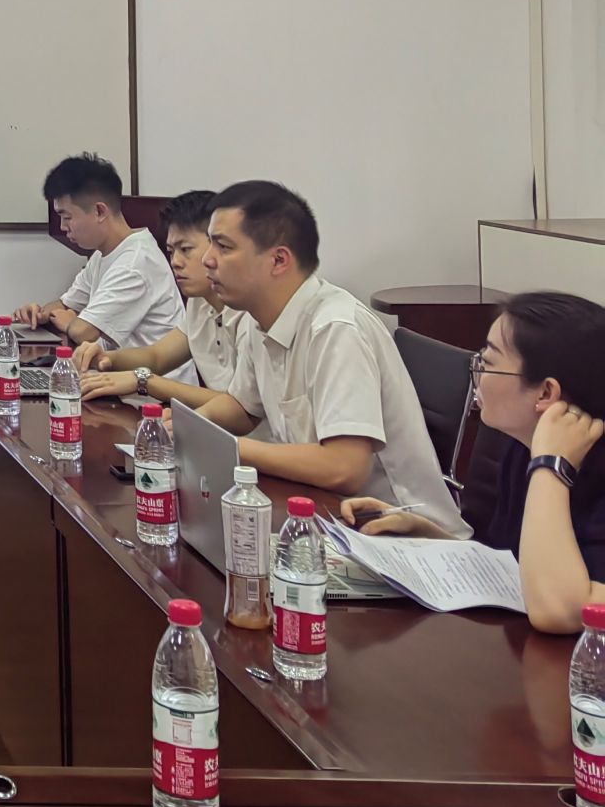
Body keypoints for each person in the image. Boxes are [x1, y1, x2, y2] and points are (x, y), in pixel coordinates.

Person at [191, 180, 466, 534]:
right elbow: (243, 407)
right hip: (326, 517)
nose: (207, 259)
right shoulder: (261, 318)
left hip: (402, 538)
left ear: (278, 260)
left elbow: (344, 468)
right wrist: (189, 427)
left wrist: (226, 448)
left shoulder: (336, 329)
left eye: (224, 246)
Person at [341, 291, 605, 633]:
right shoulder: (523, 446)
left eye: (489, 361)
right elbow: (512, 568)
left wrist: (551, 466)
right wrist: (424, 534)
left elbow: (557, 611)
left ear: (545, 393)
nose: (476, 369)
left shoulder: (554, 460)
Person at [73, 190, 252, 410]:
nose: (175, 261)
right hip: (208, 424)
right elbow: (157, 357)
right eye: (171, 251)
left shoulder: (250, 314)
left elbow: (240, 408)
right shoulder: (200, 302)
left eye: (185, 249)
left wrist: (143, 381)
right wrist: (106, 358)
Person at [13, 153, 182, 350]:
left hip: (147, 370)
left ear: (99, 211)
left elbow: (82, 332)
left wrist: (70, 324)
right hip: (116, 366)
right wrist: (40, 314)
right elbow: (66, 304)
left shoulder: (135, 263)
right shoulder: (103, 253)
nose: (63, 227)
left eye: (67, 217)